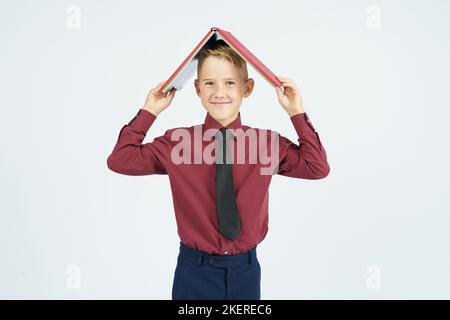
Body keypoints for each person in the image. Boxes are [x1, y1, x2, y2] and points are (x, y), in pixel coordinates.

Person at [107, 39, 330, 300]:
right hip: (193, 272)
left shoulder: (268, 144)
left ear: (247, 88)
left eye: (230, 83)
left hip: (245, 272)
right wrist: (149, 111)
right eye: (210, 83)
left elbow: (316, 168)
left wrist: (296, 112)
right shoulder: (177, 142)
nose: (219, 92)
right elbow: (121, 159)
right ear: (198, 89)